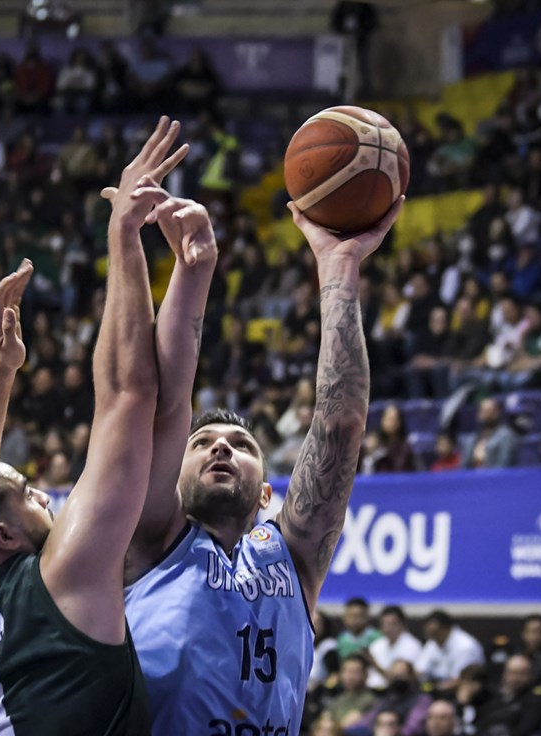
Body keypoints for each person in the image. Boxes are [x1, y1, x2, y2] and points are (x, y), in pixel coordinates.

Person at [0, 117, 188, 735]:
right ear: (6, 537)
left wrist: (2, 373)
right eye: (26, 491)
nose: (43, 491)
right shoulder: (63, 577)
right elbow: (128, 395)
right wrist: (124, 237)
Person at [122, 181, 404, 734]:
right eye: (200, 445)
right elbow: (157, 403)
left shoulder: (291, 557)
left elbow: (341, 423)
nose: (221, 446)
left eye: (242, 446)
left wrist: (339, 267)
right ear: (170, 482)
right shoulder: (148, 542)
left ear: (268, 494)